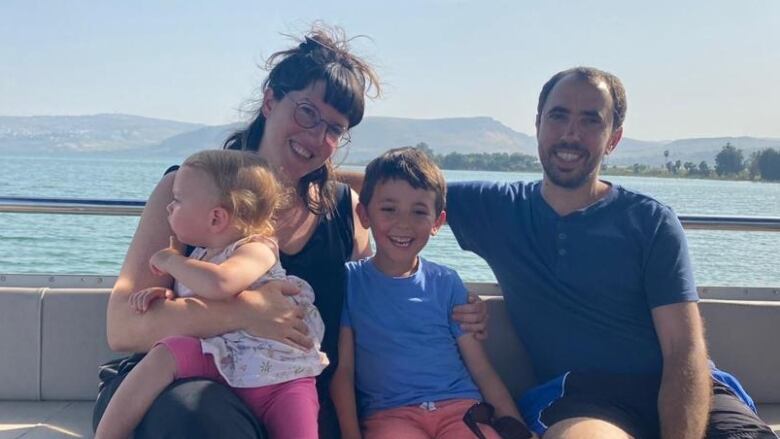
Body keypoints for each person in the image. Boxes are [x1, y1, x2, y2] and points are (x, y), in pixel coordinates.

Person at [94, 24, 487, 439]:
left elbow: (377, 302)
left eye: (334, 129)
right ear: (269, 101)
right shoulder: (185, 192)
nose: (316, 136)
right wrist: (245, 313)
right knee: (198, 415)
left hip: (290, 391)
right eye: (306, 113)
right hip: (182, 387)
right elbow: (123, 328)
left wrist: (456, 311)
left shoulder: (344, 212)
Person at [443, 67, 777, 438]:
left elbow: (682, 349)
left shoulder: (649, 222)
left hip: (690, 389)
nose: (571, 133)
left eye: (591, 120)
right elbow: (391, 190)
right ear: (538, 124)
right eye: (559, 116)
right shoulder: (497, 208)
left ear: (613, 138)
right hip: (582, 396)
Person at [95, 150, 326, 439]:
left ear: (216, 218)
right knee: (163, 355)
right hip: (223, 358)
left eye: (177, 201)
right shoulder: (203, 257)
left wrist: (171, 261)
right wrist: (167, 295)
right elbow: (203, 297)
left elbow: (221, 284)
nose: (168, 208)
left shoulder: (257, 248)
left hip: (280, 379)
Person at [330, 147, 534, 439]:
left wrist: (517, 428)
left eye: (419, 212)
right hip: (390, 414)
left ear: (437, 222)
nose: (404, 223)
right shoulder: (349, 282)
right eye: (389, 209)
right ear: (364, 214)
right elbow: (344, 371)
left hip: (461, 409)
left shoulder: (447, 282)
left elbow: (482, 369)